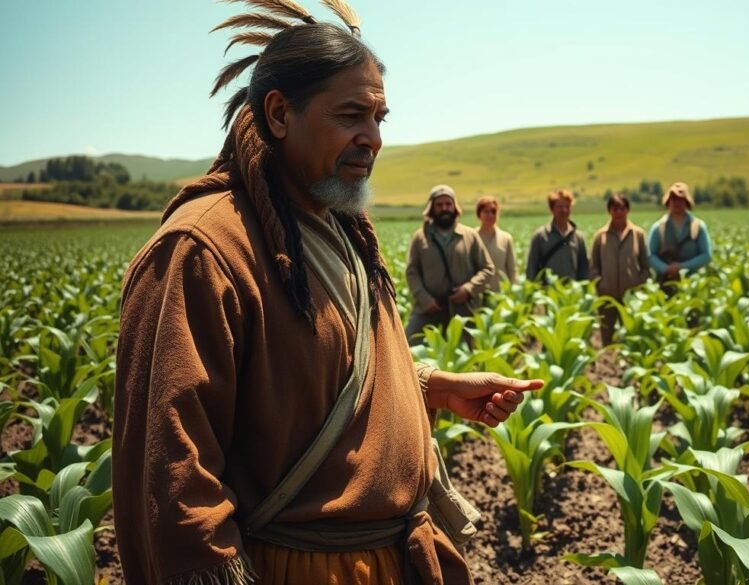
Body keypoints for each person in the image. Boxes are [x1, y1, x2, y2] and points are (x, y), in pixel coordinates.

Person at [113, 3, 540, 584]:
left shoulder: (341, 229)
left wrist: (430, 388)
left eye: (380, 118)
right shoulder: (203, 249)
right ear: (279, 113)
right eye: (351, 116)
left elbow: (312, 375)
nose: (373, 139)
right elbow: (173, 481)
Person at [405, 185, 494, 343]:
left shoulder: (470, 236)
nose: (444, 208)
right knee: (408, 344)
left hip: (463, 311)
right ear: (431, 209)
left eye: (448, 204)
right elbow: (412, 272)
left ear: (455, 207)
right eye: (439, 205)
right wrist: (425, 300)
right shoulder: (420, 238)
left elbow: (487, 269)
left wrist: (468, 289)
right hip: (429, 309)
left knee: (465, 357)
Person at [589, 194, 650, 345]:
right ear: (609, 211)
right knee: (607, 336)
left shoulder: (638, 234)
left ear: (628, 210)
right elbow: (593, 266)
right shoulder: (600, 236)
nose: (618, 213)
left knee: (630, 336)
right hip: (607, 296)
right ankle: (607, 366)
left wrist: (639, 284)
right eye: (614, 209)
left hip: (630, 297)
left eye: (622, 208)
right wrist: (600, 283)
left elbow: (645, 265)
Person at [648, 182, 712, 285]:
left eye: (680, 199)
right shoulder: (658, 227)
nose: (677, 203)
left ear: (687, 202)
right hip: (665, 282)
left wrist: (682, 267)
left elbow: (706, 256)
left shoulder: (698, 226)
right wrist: (666, 269)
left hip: (693, 283)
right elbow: (650, 255)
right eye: (674, 199)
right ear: (668, 202)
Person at [526, 189, 589, 282]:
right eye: (559, 207)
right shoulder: (540, 236)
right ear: (552, 209)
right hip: (547, 293)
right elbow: (531, 268)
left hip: (572, 293)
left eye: (567, 206)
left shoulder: (578, 237)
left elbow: (584, 270)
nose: (564, 210)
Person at [474, 196, 517, 291]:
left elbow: (511, 269)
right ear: (479, 214)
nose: (490, 215)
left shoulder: (506, 238)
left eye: (493, 212)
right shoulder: (472, 237)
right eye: (486, 211)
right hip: (478, 293)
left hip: (501, 293)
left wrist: (513, 290)